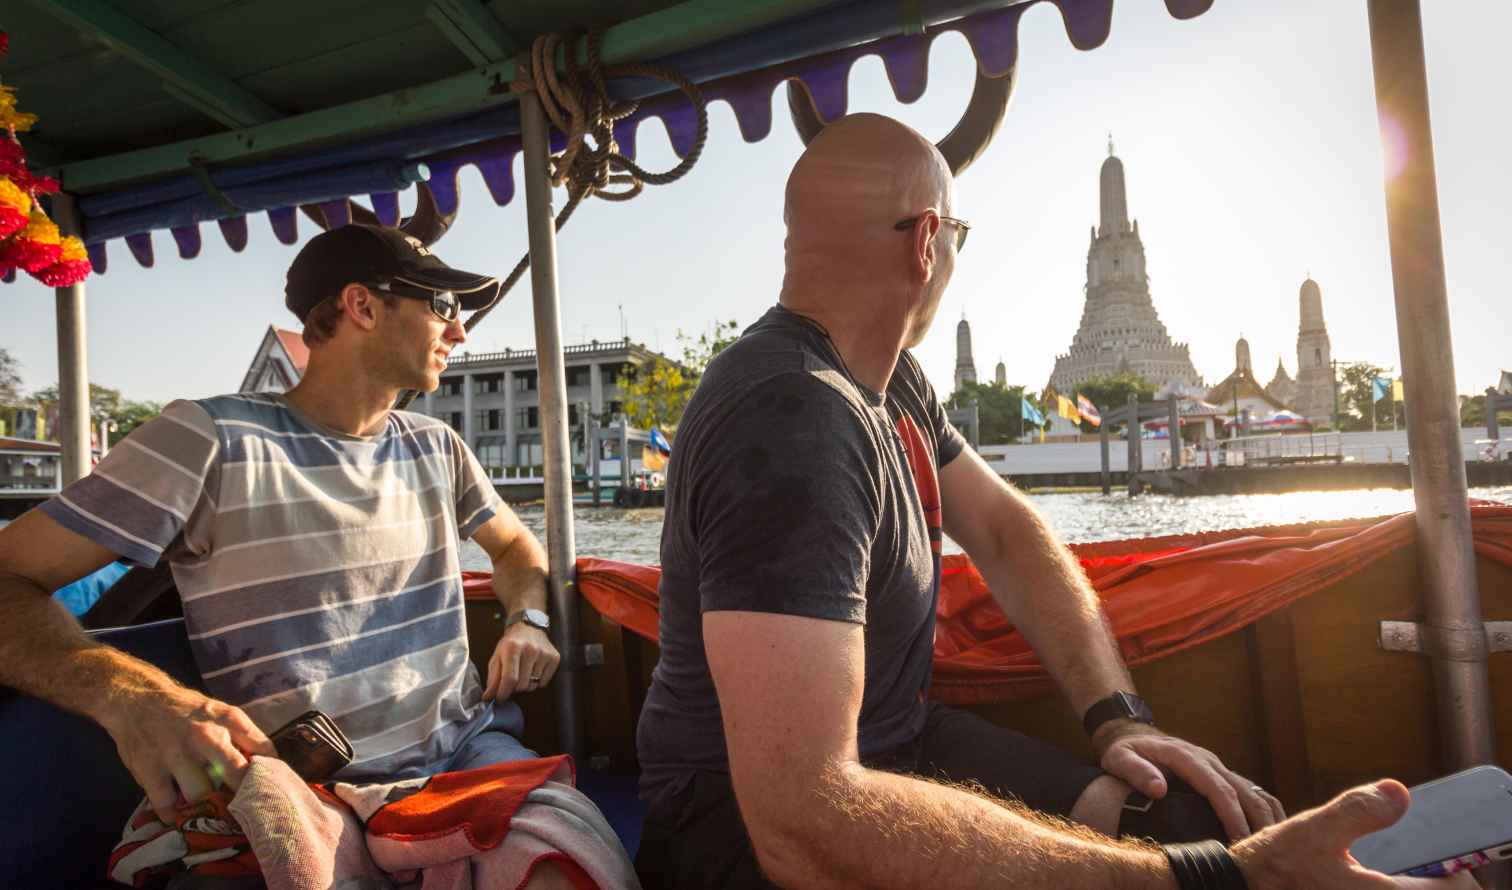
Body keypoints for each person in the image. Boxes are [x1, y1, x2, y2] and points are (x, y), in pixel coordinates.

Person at [632, 113, 1472, 890]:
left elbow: (1005, 530)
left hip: (895, 746)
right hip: (736, 830)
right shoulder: (792, 415)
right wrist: (1193, 883)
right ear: (929, 241)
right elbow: (801, 819)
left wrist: (1118, 719)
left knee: (1178, 813)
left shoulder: (893, 384)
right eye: (957, 234)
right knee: (1193, 859)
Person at [0, 224, 604, 889]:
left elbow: (515, 546)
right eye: (443, 305)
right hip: (293, 782)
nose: (458, 332)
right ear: (363, 307)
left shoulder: (438, 446)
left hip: (461, 754)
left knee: (563, 873)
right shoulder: (209, 439)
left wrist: (528, 619)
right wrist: (133, 696)